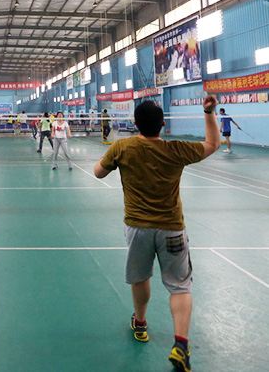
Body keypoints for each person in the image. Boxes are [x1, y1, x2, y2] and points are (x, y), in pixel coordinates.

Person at [94, 98, 220, 372]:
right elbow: (212, 144)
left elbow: (98, 173)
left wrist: (111, 161)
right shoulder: (177, 149)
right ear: (163, 124)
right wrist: (208, 112)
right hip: (172, 229)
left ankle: (140, 324)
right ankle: (181, 346)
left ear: (135, 123)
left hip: (137, 229)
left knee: (140, 278)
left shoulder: (122, 147)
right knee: (180, 286)